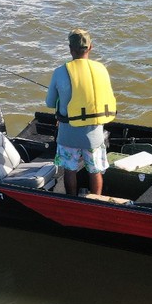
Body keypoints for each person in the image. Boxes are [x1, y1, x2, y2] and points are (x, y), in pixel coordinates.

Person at [45, 29, 117, 196]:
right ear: (90, 47)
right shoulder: (101, 69)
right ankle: (96, 200)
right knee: (95, 170)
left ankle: (72, 199)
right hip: (94, 136)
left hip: (68, 135)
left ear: (70, 49)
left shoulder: (60, 72)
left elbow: (50, 103)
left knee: (70, 170)